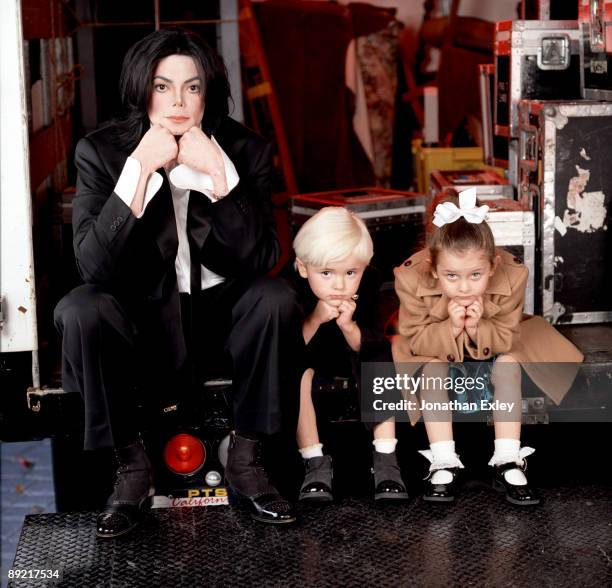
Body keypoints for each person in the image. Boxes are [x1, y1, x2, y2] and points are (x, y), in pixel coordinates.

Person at [53, 28, 302, 537]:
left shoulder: (245, 149)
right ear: (141, 89)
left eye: (192, 87)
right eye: (163, 86)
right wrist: (139, 171)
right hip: (142, 321)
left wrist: (220, 176)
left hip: (220, 316)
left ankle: (249, 464)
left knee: (275, 299)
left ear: (207, 92)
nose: (178, 101)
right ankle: (131, 471)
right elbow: (94, 267)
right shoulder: (99, 153)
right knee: (81, 308)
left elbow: (265, 257)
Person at [392, 188, 583, 505]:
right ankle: (443, 461)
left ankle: (508, 458)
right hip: (435, 347)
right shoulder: (411, 276)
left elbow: (506, 336)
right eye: (451, 276)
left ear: (493, 266)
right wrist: (452, 327)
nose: (464, 287)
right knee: (431, 370)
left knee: (508, 365)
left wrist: (479, 326)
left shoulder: (512, 273)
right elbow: (416, 339)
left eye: (475, 275)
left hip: (493, 342)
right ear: (433, 267)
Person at [287, 207, 408, 503]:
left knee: (379, 359)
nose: (339, 284)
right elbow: (289, 348)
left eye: (350, 273)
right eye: (326, 273)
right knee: (299, 374)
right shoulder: (291, 287)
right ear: (304, 268)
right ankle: (314, 460)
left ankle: (385, 457)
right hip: (311, 354)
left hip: (352, 350)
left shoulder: (370, 284)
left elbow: (370, 340)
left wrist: (348, 325)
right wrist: (316, 318)